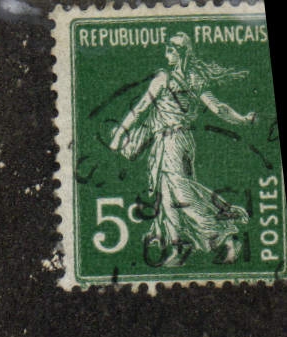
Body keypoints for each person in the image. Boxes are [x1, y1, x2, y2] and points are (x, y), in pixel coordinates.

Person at [108, 33, 257, 266]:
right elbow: (219, 109)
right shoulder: (194, 79)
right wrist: (243, 119)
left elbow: (140, 109)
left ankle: (226, 236)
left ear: (180, 53)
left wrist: (119, 133)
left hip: (171, 142)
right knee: (167, 195)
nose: (166, 54)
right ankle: (178, 247)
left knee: (181, 193)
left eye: (170, 50)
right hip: (181, 142)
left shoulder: (164, 78)